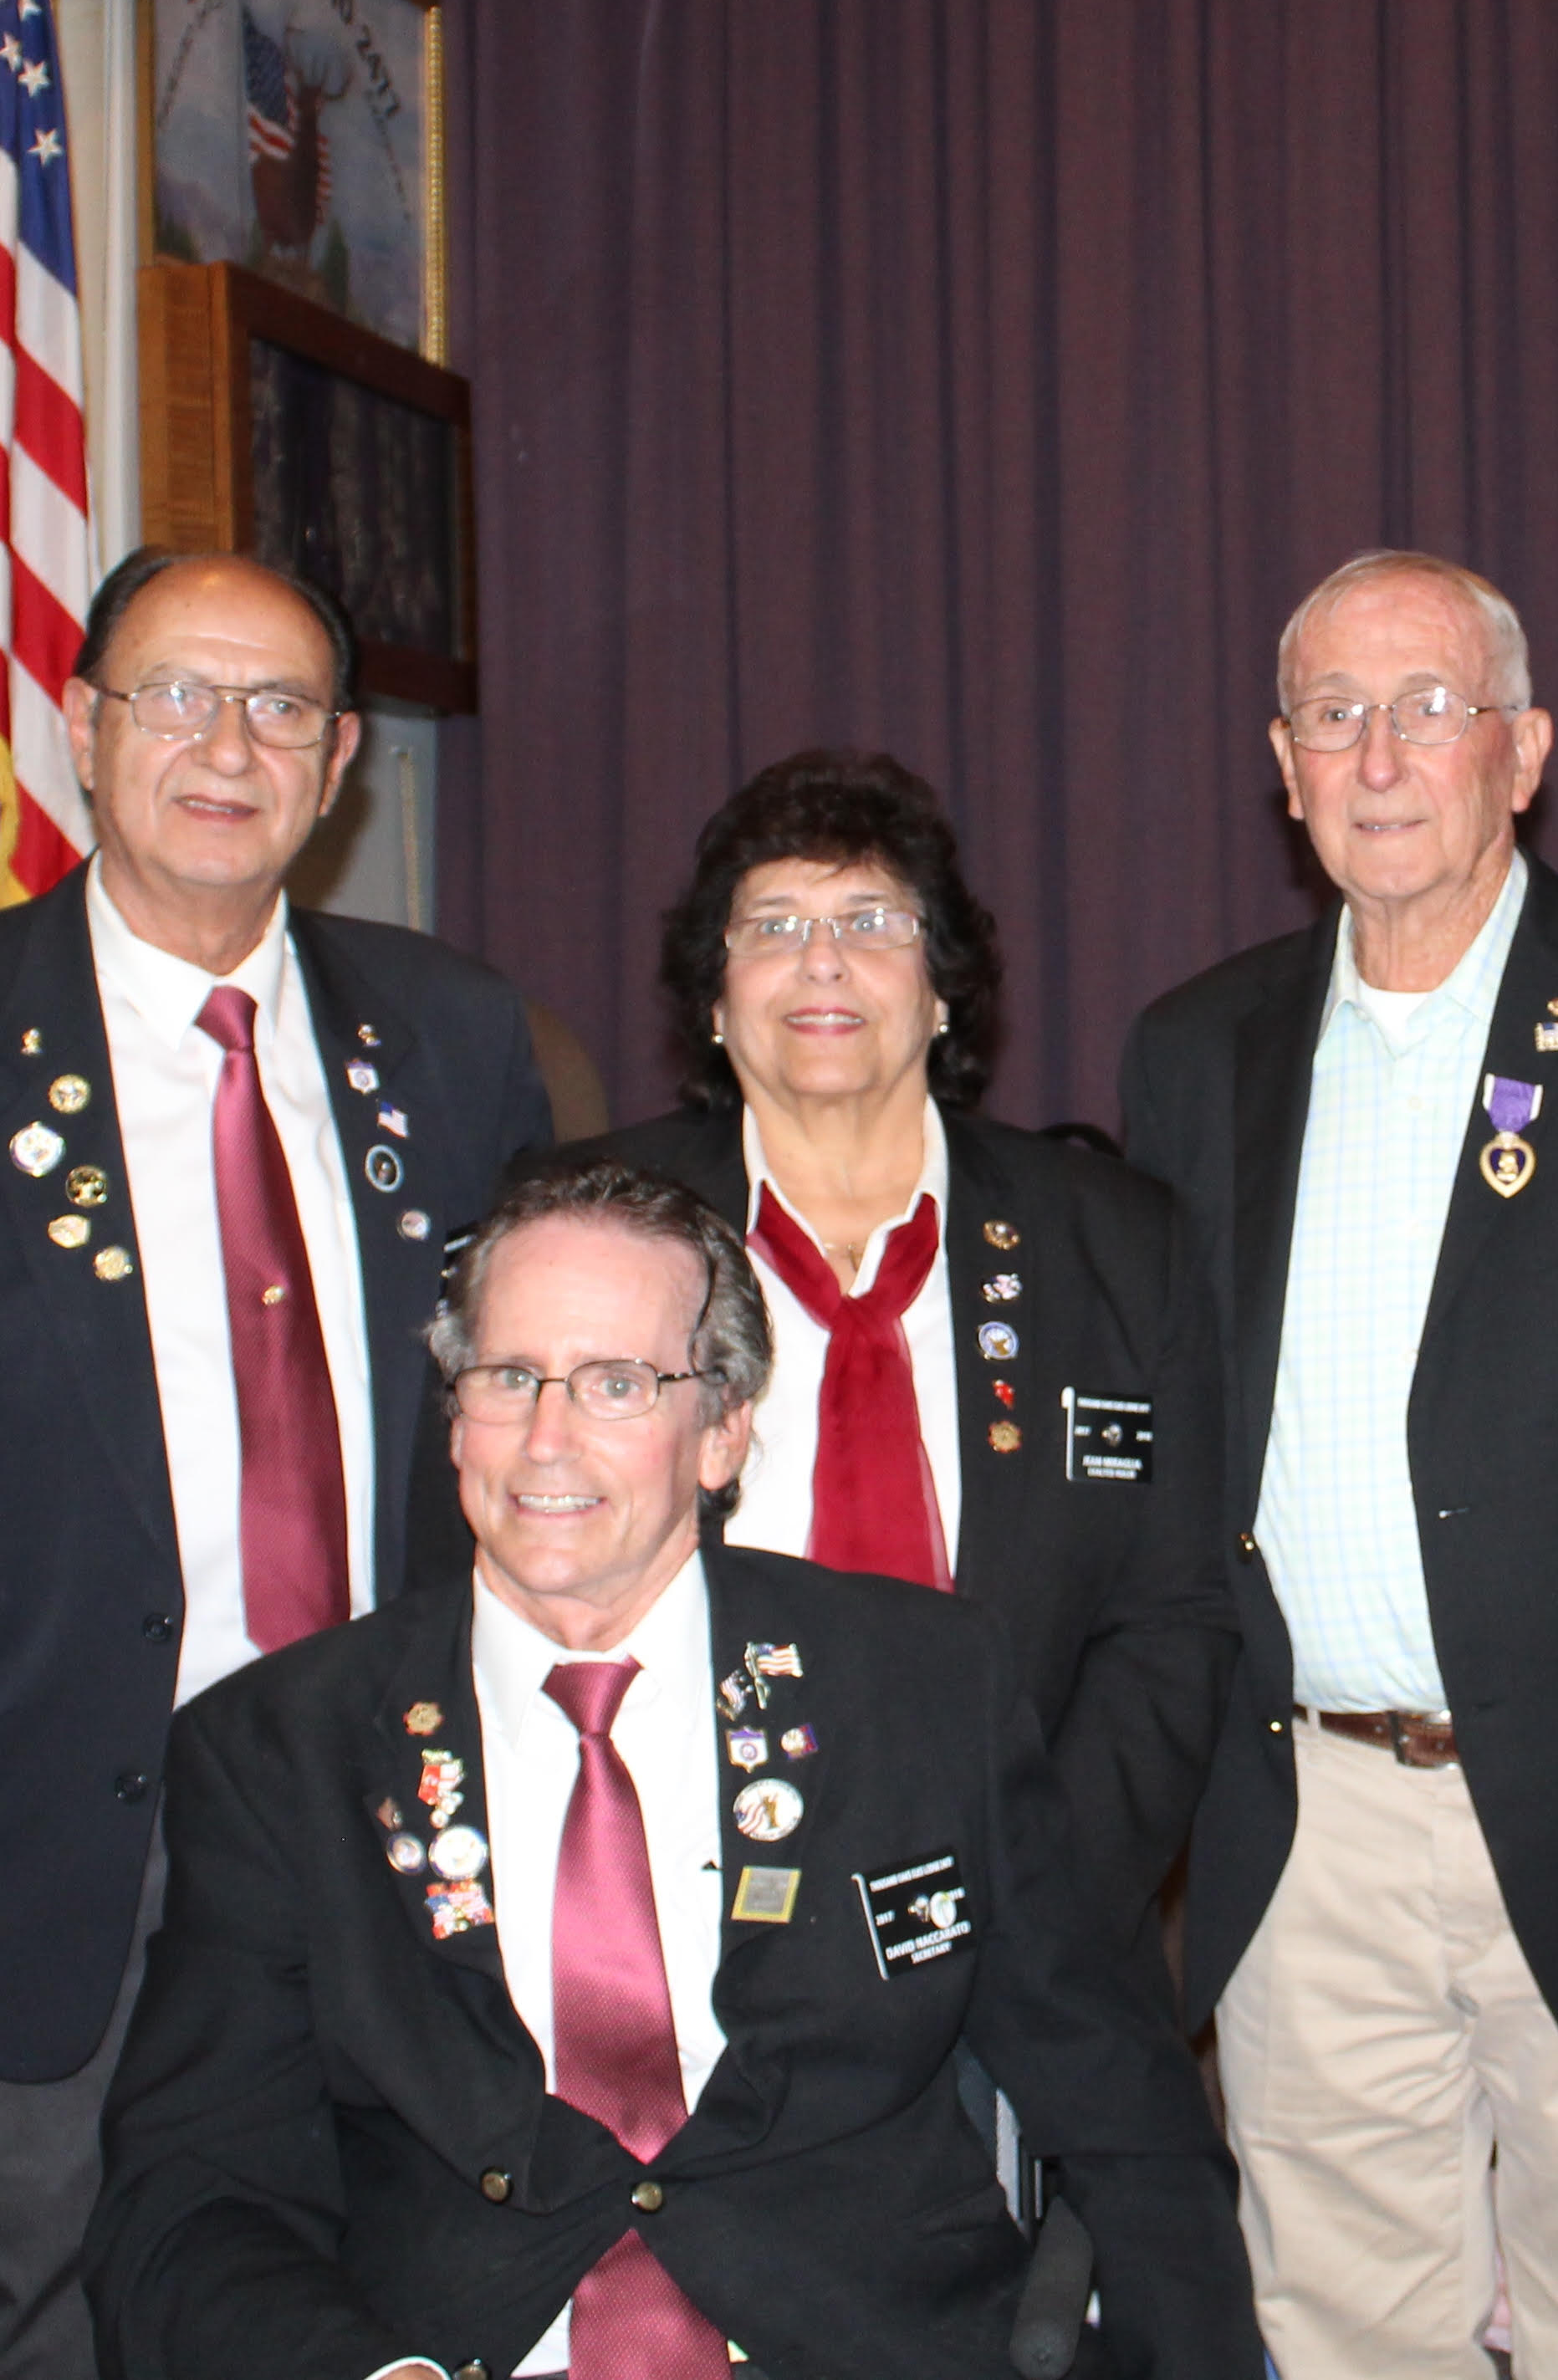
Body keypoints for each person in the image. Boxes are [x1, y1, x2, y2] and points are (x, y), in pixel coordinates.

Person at [82, 1158, 1253, 2380]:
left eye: (617, 1385)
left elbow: (1124, 2114)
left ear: (723, 1432)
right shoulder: (280, 1752)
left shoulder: (923, 1690)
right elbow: (187, 2203)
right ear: (455, 1416)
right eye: (509, 1377)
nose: (547, 1440)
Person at [1119, 549, 1558, 2379]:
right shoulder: (1193, 1053)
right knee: (1344, 2341)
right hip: (1305, 1830)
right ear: (1282, 765)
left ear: (1521, 752)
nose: (1378, 757)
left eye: (1427, 708)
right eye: (1333, 715)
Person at [0, 549, 554, 2380]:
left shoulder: (458, 1040)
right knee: (65, 2327)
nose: (227, 747)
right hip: (54, 1861)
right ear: (84, 729)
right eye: (176, 696)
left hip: (401, 1826)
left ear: (340, 762)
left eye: (280, 707)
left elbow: (531, 1447)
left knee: (391, 2318)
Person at [410, 746, 1234, 1948]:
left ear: (943, 987)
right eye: (773, 925)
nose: (823, 960)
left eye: (871, 919)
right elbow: (472, 1572)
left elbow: (1170, 1620)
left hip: (1031, 1908)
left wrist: (1036, 1905)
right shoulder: (573, 1231)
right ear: (713, 997)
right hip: (655, 1905)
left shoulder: (1116, 1242)